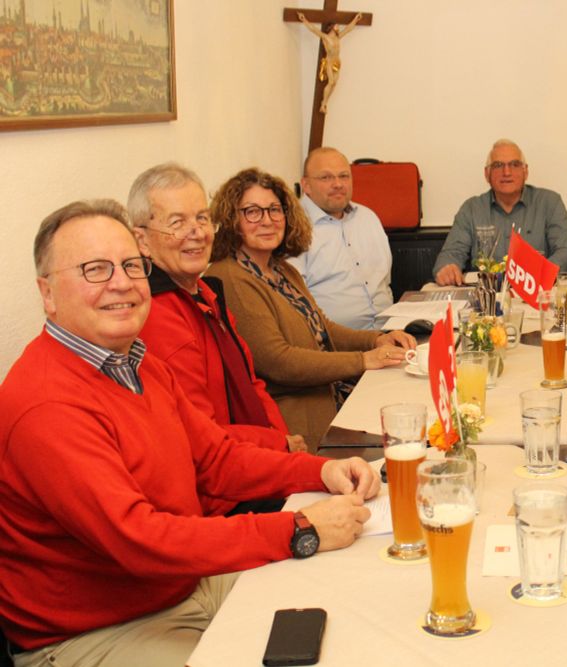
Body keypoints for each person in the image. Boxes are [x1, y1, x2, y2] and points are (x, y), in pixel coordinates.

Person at [0, 200, 380, 666]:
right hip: (91, 630)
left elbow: (216, 461)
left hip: (179, 585)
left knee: (350, 608)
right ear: (48, 292)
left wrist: (322, 471)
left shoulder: (138, 363)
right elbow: (138, 540)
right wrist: (298, 528)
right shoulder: (46, 403)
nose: (121, 283)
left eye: (130, 266)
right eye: (95, 270)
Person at [129, 162, 309, 517]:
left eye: (200, 218)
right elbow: (199, 438)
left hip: (254, 465)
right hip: (217, 499)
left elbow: (253, 383)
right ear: (141, 241)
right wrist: (278, 444)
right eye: (177, 222)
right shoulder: (159, 314)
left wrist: (282, 445)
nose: (196, 233)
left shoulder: (205, 292)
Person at [205, 168, 415, 450]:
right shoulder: (230, 277)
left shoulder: (281, 269)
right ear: (232, 220)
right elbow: (279, 362)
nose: (267, 221)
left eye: (274, 210)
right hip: (296, 425)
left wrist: (376, 339)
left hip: (330, 397)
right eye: (252, 212)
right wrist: (363, 359)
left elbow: (323, 328)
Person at [433, 139, 567, 285]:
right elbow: (450, 254)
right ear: (487, 174)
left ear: (525, 171)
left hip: (536, 295)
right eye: (498, 165)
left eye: (514, 164)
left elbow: (566, 252)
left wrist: (539, 275)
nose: (506, 172)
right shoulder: (471, 209)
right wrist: (447, 269)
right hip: (486, 298)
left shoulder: (550, 203)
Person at [289, 147, 393, 330]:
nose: (338, 184)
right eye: (326, 177)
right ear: (305, 185)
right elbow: (294, 302)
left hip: (390, 331)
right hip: (335, 345)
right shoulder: (292, 226)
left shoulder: (367, 218)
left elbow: (385, 281)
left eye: (344, 176)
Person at [297, 11, 362, 113]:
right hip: (329, 62)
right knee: (331, 82)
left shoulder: (338, 37)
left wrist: (356, 19)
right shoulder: (326, 38)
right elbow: (313, 30)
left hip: (337, 62)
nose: (338, 27)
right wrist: (304, 19)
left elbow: (348, 29)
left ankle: (325, 102)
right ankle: (323, 105)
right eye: (337, 26)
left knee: (334, 83)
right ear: (332, 27)